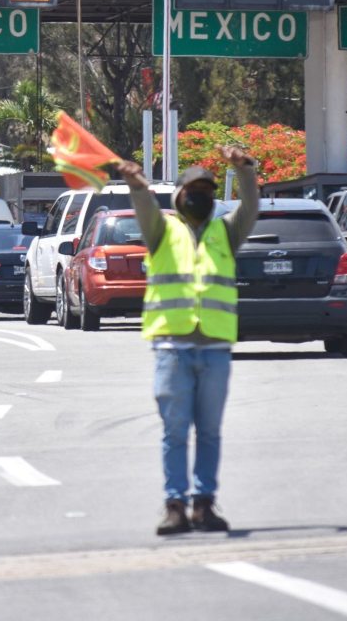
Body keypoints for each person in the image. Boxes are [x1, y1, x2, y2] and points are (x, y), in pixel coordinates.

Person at [118, 145, 258, 536]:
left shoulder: (226, 233)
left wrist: (245, 170)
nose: (202, 196)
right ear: (178, 195)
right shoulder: (162, 231)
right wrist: (137, 186)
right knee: (175, 432)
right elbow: (143, 205)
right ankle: (175, 505)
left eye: (208, 190)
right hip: (172, 349)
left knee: (210, 432)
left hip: (215, 349)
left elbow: (250, 207)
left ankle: (204, 504)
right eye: (194, 189)